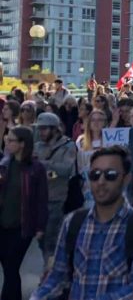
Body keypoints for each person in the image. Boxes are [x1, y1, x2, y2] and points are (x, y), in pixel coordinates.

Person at [31, 146, 133, 300]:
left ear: (126, 179)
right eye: (95, 175)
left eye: (110, 175)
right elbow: (57, 277)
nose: (101, 181)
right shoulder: (72, 222)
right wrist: (38, 296)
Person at [0, 127, 48, 300]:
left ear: (22, 144)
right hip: (2, 225)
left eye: (11, 140)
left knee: (11, 266)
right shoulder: (4, 164)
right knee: (8, 268)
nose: (7, 142)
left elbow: (42, 199)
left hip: (22, 227)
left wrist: (40, 226)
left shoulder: (36, 169)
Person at [34, 112, 77, 265]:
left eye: (45, 129)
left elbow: (66, 169)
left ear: (54, 129)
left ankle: (51, 274)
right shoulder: (38, 146)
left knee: (51, 240)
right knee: (41, 239)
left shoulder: (68, 145)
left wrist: (45, 166)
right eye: (40, 129)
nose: (41, 132)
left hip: (57, 199)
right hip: (39, 199)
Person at [76, 109, 109, 208]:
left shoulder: (110, 140)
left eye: (100, 120)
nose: (96, 123)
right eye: (93, 120)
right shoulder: (80, 141)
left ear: (105, 123)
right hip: (87, 185)